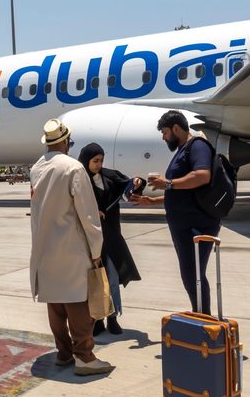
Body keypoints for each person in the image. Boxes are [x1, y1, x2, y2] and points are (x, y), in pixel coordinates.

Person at [29, 119, 114, 376]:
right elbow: (88, 214)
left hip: (44, 246)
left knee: (55, 303)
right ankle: (85, 357)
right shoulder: (73, 167)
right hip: (71, 246)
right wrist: (96, 249)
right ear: (65, 141)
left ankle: (64, 353)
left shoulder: (36, 168)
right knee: (78, 303)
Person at [130, 110, 220, 315]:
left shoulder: (197, 146)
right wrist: (152, 201)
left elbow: (202, 176)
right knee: (190, 274)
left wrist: (167, 183)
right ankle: (200, 315)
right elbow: (185, 193)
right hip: (185, 226)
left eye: (165, 132)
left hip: (197, 225)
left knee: (193, 274)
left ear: (176, 129)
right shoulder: (183, 150)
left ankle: (203, 319)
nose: (163, 137)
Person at [78, 143, 143, 336]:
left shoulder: (109, 175)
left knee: (112, 278)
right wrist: (91, 212)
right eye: (95, 161)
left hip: (112, 237)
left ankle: (112, 317)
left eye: (101, 161)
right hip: (90, 239)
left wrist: (138, 182)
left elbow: (130, 184)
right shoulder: (79, 179)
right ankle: (97, 319)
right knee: (95, 281)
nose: (99, 164)